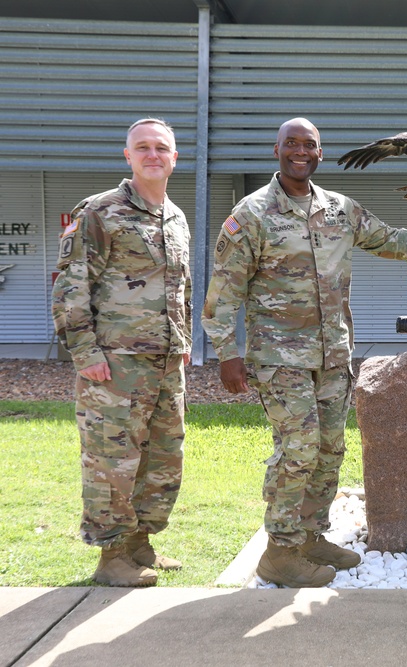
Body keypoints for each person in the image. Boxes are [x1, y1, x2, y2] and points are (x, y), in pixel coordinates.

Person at [202, 118, 407, 588]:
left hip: (333, 354)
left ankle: (310, 536)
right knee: (297, 448)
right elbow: (223, 291)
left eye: (310, 145)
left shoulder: (339, 209)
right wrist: (226, 354)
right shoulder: (251, 214)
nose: (301, 151)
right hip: (279, 357)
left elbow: (393, 241)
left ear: (319, 153)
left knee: (330, 449)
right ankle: (279, 550)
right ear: (277, 150)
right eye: (291, 144)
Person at [52, 118, 190, 587]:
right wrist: (85, 352)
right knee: (112, 460)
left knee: (162, 459)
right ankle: (111, 556)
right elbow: (71, 286)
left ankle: (140, 544)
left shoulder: (175, 216)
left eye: (162, 148)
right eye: (143, 147)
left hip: (166, 364)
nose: (154, 154)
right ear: (126, 156)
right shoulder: (99, 212)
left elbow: (180, 289)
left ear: (175, 157)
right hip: (114, 364)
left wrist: (183, 341)